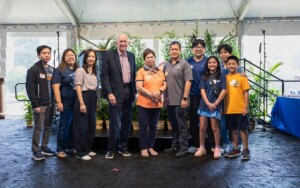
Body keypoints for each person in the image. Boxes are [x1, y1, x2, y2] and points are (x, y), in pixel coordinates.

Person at [101, 34, 137, 159]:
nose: (123, 44)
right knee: (115, 122)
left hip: (129, 92)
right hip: (115, 93)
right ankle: (111, 149)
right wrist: (110, 93)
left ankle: (123, 147)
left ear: (128, 43)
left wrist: (135, 93)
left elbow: (134, 76)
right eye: (121, 41)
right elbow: (104, 76)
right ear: (117, 43)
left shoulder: (131, 56)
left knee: (127, 122)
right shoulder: (109, 55)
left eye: (125, 41)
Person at [26, 45, 55, 160]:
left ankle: (44, 146)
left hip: (51, 103)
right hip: (40, 104)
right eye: (44, 53)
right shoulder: (33, 70)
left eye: (48, 53)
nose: (47, 55)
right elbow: (30, 89)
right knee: (39, 128)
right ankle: (35, 150)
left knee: (48, 126)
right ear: (39, 55)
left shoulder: (52, 69)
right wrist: (35, 104)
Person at [163, 41, 193, 157]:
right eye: (172, 49)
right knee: (174, 126)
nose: (174, 51)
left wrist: (185, 98)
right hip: (170, 101)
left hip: (181, 101)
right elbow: (164, 82)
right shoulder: (166, 65)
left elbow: (189, 81)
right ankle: (174, 146)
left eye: (176, 49)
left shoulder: (185, 64)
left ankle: (184, 148)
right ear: (169, 51)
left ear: (180, 50)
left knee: (182, 126)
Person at [136, 48, 166, 157]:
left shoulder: (160, 71)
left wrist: (159, 91)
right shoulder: (141, 71)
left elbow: (164, 84)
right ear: (144, 59)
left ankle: (151, 147)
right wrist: (151, 95)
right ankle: (143, 148)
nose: (150, 59)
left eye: (152, 57)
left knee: (154, 126)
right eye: (147, 57)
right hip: (144, 104)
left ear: (155, 58)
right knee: (144, 126)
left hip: (156, 104)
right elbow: (139, 87)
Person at [194, 56, 226, 159]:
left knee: (215, 128)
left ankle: (217, 148)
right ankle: (202, 147)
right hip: (204, 105)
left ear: (217, 64)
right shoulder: (205, 76)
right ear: (207, 64)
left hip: (215, 105)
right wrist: (208, 103)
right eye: (210, 63)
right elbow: (202, 90)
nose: (212, 64)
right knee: (202, 128)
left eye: (214, 62)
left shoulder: (221, 76)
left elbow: (224, 91)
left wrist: (216, 103)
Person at [223, 55, 251, 160]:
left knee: (243, 129)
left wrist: (246, 107)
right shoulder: (225, 78)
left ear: (238, 65)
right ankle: (236, 148)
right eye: (229, 64)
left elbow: (246, 93)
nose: (231, 66)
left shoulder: (242, 77)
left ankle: (246, 149)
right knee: (233, 129)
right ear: (226, 65)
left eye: (233, 64)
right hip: (229, 109)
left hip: (240, 109)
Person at [217, 44, 243, 152]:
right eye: (221, 52)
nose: (223, 54)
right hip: (222, 101)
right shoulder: (218, 68)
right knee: (222, 125)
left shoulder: (237, 68)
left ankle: (239, 144)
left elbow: (238, 85)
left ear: (230, 54)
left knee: (236, 125)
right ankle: (226, 143)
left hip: (235, 102)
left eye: (226, 52)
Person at [52, 48, 78, 158]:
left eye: (72, 55)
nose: (70, 57)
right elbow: (55, 87)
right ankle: (60, 150)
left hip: (76, 103)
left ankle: (70, 147)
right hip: (65, 103)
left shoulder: (77, 70)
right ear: (64, 58)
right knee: (64, 126)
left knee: (72, 126)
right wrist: (59, 102)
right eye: (68, 55)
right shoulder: (59, 70)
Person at [73, 49, 98, 160]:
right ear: (85, 58)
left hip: (92, 97)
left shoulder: (94, 70)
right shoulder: (80, 70)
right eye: (89, 56)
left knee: (91, 125)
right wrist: (82, 103)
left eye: (93, 56)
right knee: (81, 126)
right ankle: (81, 152)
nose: (91, 58)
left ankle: (87, 149)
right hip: (83, 97)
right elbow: (78, 86)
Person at [186, 39, 208, 153]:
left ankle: (209, 145)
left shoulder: (209, 61)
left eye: (201, 46)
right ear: (192, 49)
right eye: (196, 46)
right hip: (193, 95)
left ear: (204, 49)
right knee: (194, 120)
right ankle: (195, 144)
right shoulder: (188, 61)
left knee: (207, 120)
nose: (198, 48)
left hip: (207, 96)